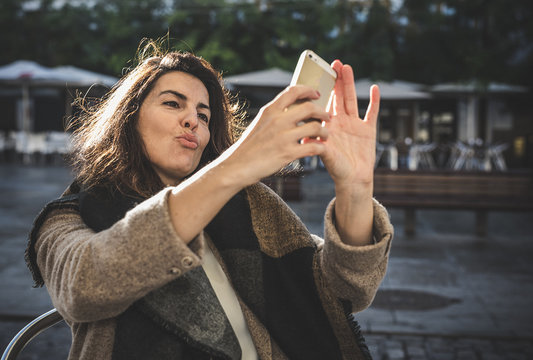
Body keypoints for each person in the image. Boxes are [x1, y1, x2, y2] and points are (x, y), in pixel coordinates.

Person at [26, 41, 393, 360]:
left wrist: (356, 187)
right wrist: (234, 166)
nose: (193, 121)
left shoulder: (247, 205)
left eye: (204, 115)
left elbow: (344, 289)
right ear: (128, 117)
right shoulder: (68, 217)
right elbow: (85, 285)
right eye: (173, 104)